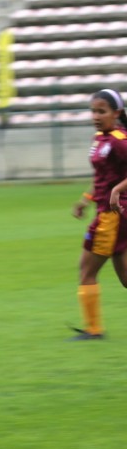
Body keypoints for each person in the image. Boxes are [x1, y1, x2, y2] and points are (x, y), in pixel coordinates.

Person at [69, 88, 127, 340]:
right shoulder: (100, 138)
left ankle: (93, 330)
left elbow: (115, 182)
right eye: (93, 110)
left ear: (117, 113)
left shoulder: (119, 140)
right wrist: (86, 199)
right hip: (108, 213)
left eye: (101, 111)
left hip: (112, 216)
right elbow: (103, 178)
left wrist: (118, 190)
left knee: (86, 270)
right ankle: (93, 329)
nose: (95, 116)